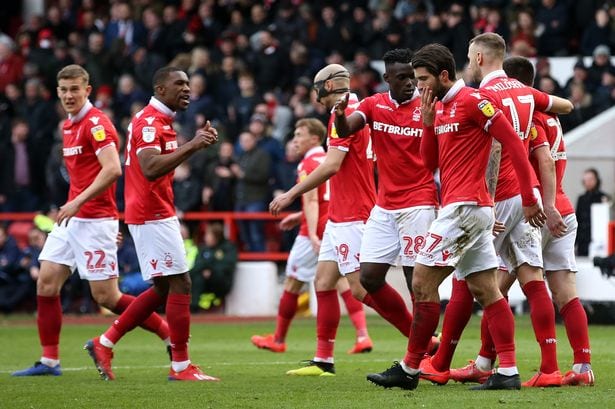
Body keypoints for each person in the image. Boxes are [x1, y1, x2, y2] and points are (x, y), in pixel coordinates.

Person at [366, 43, 545, 391]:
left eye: (422, 80)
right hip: (465, 208)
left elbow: (513, 144)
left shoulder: (474, 102)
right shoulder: (441, 108)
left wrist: (528, 196)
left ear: (444, 75)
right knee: (486, 290)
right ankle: (507, 370)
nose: (418, 88)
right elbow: (428, 163)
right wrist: (430, 124)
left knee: (421, 281)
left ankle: (411, 367)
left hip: (465, 209)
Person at [421, 32, 573, 388]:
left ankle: (440, 361)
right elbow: (563, 105)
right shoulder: (525, 92)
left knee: (467, 278)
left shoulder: (481, 97)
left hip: (498, 194)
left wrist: (486, 202)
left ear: (476, 58)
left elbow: (494, 151)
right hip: (527, 194)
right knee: (531, 278)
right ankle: (547, 368)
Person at [12, 65, 170, 378]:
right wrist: (74, 204)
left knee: (106, 297)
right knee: (46, 283)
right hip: (72, 218)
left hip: (95, 219)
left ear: (88, 89)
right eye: (64, 90)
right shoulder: (67, 126)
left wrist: (83, 204)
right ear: (57, 92)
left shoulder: (97, 123)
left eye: (75, 89)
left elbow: (113, 169)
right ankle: (49, 362)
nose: (69, 95)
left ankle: (168, 334)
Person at [85, 66, 220, 382]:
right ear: (160, 89)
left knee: (162, 288)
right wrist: (194, 145)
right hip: (151, 213)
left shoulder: (160, 121)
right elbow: (149, 167)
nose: (186, 89)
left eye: (188, 84)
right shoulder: (149, 122)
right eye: (179, 84)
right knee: (181, 284)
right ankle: (181, 366)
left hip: (152, 210)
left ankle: (104, 343)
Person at [269, 64, 378, 376]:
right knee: (324, 281)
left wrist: (290, 194)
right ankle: (323, 360)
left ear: (329, 86)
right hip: (339, 214)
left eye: (317, 86)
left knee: (358, 288)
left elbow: (331, 167)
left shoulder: (343, 114)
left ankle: (421, 338)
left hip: (352, 213)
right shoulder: (360, 110)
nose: (314, 92)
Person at [333, 48, 439, 342]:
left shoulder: (428, 107)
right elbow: (345, 130)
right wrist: (340, 117)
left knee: (415, 281)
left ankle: (421, 353)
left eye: (413, 78)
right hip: (385, 206)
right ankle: (420, 339)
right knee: (368, 277)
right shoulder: (373, 105)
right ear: (387, 78)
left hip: (418, 203)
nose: (409, 83)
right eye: (402, 77)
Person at [504, 56, 594, 386]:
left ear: (511, 82)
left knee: (496, 288)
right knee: (565, 293)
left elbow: (542, 161)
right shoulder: (553, 117)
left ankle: (497, 363)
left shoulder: (530, 118)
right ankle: (583, 367)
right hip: (563, 209)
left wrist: (546, 204)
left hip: (540, 211)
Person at [252, 118, 372, 354]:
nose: (294, 140)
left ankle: (278, 338)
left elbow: (312, 199)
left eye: (299, 135)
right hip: (336, 223)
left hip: (315, 231)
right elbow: (329, 196)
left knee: (293, 281)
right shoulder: (329, 157)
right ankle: (362, 336)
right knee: (340, 281)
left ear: (315, 138)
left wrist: (313, 233)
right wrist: (299, 216)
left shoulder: (308, 163)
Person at [190, 222, 238, 311]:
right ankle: (193, 305)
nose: (206, 238)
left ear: (216, 236)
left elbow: (228, 265)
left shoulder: (228, 247)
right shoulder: (204, 248)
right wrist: (205, 269)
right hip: (203, 279)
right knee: (194, 276)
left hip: (221, 282)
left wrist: (211, 270)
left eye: (208, 235)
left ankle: (196, 306)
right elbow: (197, 265)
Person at [575, 168, 609, 256]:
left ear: (596, 180)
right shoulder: (581, 199)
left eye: (591, 179)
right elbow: (577, 218)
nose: (588, 182)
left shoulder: (603, 197)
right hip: (583, 239)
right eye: (586, 180)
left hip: (598, 239)